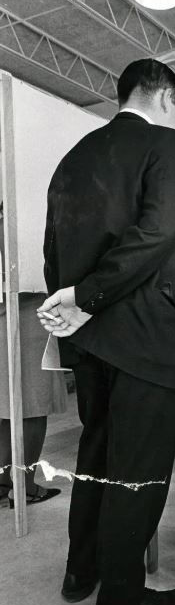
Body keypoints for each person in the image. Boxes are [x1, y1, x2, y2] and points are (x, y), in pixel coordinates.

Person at [37, 58, 175, 605]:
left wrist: (76, 307)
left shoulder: (74, 156)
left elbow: (54, 245)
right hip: (148, 335)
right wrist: (88, 294)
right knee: (138, 474)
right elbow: (156, 235)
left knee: (98, 458)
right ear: (164, 95)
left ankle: (82, 572)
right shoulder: (171, 148)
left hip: (90, 339)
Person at [0, 205, 67, 507]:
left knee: (5, 404)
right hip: (26, 306)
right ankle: (23, 486)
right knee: (31, 404)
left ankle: (5, 482)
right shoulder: (23, 198)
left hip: (14, 304)